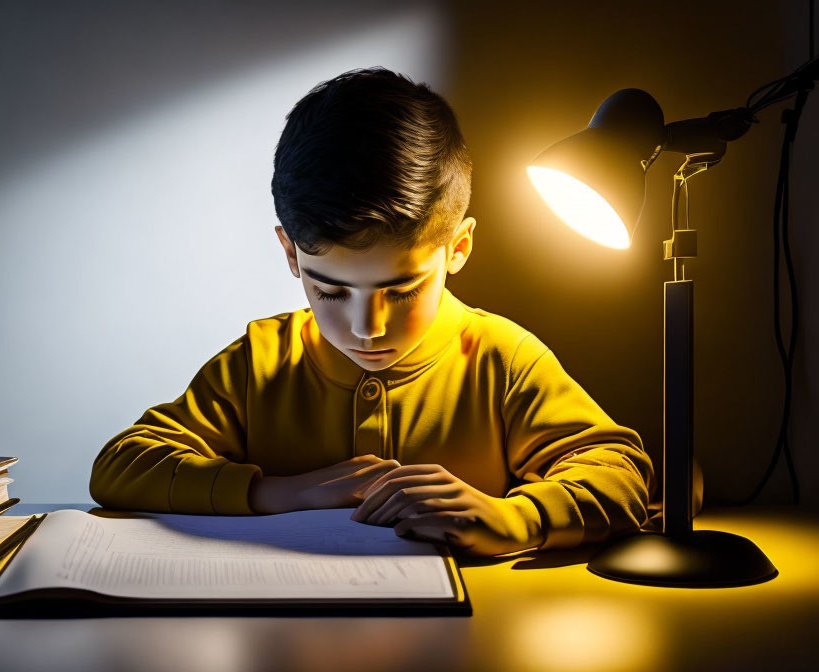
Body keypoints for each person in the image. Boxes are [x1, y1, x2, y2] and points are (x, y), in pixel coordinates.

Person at [90, 67, 698, 557]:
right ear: (290, 254)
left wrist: (517, 517)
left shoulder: (502, 359)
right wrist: (278, 493)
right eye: (330, 291)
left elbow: (620, 470)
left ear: (457, 248)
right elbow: (121, 466)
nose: (367, 326)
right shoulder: (261, 363)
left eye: (402, 290)